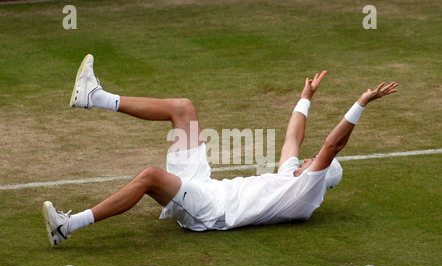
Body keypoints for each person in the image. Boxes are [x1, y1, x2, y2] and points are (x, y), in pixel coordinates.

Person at [42, 54, 399, 248]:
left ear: (321, 175)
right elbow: (294, 138)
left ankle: (68, 225)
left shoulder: (306, 193)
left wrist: (361, 103)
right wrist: (305, 98)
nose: (307, 161)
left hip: (209, 211)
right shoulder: (291, 177)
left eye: (315, 164)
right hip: (205, 186)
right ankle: (95, 97)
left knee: (150, 176)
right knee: (183, 108)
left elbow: (332, 145)